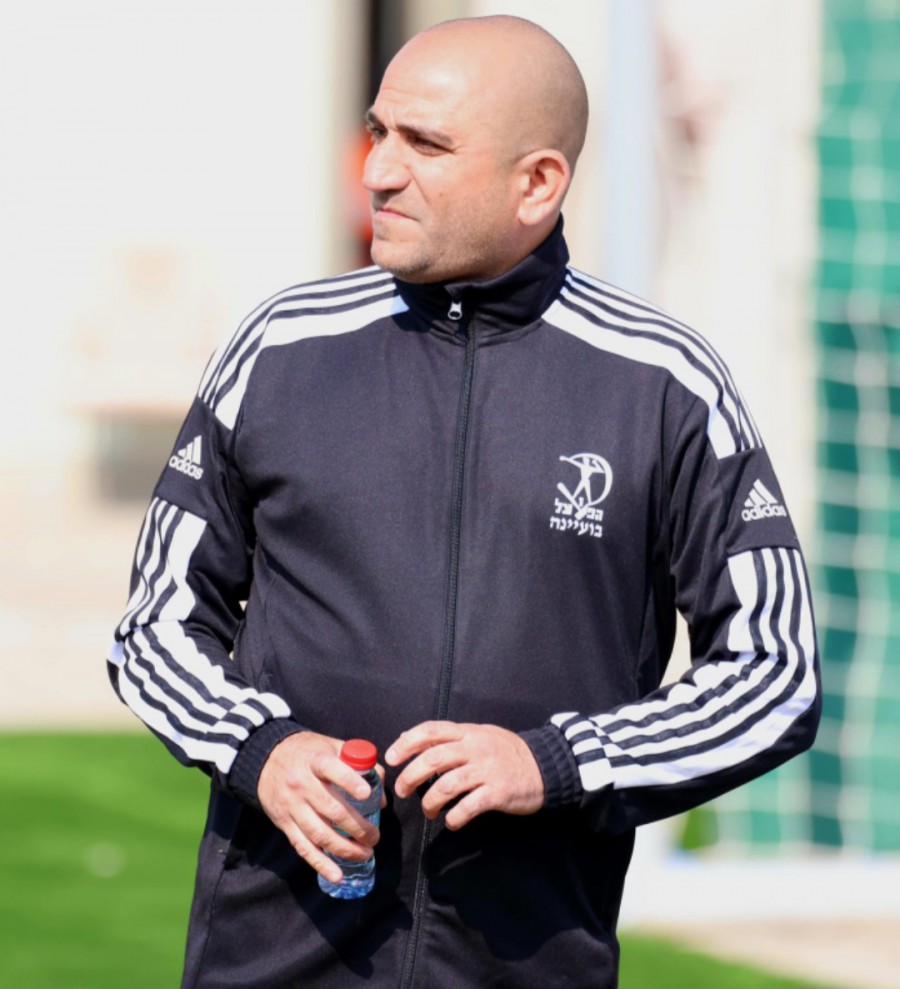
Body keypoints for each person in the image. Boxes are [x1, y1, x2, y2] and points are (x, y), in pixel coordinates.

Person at [108, 14, 820, 989]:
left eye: (426, 144)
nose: (378, 171)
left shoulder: (665, 384)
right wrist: (261, 750)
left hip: (529, 964)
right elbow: (150, 631)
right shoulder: (279, 347)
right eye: (379, 131)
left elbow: (775, 673)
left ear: (538, 183)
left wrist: (559, 761)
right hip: (268, 960)